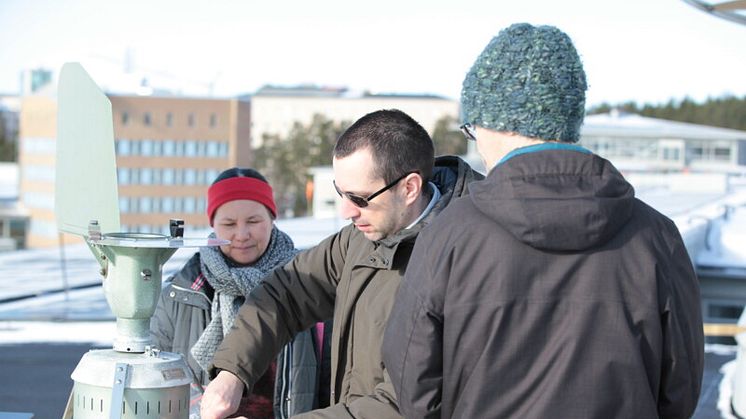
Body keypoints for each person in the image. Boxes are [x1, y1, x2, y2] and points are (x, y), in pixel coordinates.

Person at [382, 23, 704, 419]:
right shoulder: (656, 236)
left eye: (472, 130)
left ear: (494, 124)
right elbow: (680, 387)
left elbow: (413, 382)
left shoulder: (450, 234)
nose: (477, 145)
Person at [199, 109, 483, 419]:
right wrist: (232, 373)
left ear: (410, 187)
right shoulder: (358, 239)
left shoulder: (469, 254)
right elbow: (284, 293)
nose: (347, 211)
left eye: (359, 198)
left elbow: (406, 402)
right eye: (340, 193)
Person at [151, 167, 330, 418]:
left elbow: (332, 382)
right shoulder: (180, 292)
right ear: (212, 224)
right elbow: (157, 381)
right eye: (229, 224)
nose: (242, 235)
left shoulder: (307, 284)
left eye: (254, 221)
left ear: (272, 218)